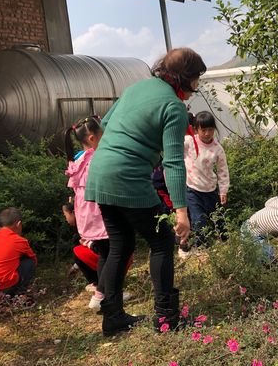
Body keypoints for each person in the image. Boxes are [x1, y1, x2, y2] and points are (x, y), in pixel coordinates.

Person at [85, 47, 206, 336]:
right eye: (196, 79)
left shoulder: (136, 87)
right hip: (127, 176)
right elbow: (174, 163)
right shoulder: (174, 107)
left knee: (120, 244)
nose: (196, 87)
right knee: (162, 241)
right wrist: (181, 211)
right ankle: (167, 319)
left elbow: (104, 124)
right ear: (183, 78)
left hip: (100, 172)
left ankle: (113, 317)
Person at [64, 116, 111, 309]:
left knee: (105, 254)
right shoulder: (96, 159)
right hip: (98, 213)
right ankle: (101, 295)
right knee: (110, 255)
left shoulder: (78, 159)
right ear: (92, 138)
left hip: (86, 214)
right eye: (102, 134)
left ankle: (104, 292)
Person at [61, 202, 132, 309]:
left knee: (82, 252)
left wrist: (89, 244)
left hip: (120, 257)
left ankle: (106, 291)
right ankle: (105, 290)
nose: (66, 219)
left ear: (73, 213)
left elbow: (100, 249)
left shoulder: (90, 226)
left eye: (66, 215)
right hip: (121, 255)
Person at [181, 110, 230, 257]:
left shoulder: (217, 148)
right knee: (199, 220)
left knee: (218, 217)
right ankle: (200, 248)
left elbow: (223, 171)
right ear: (196, 129)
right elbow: (172, 146)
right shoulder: (189, 142)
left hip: (210, 189)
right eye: (204, 130)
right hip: (192, 190)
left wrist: (223, 191)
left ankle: (226, 241)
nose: (207, 133)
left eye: (210, 129)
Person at [0, 207, 37, 296]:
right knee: (29, 263)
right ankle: (20, 296)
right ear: (19, 224)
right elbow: (34, 261)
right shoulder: (19, 240)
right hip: (3, 288)